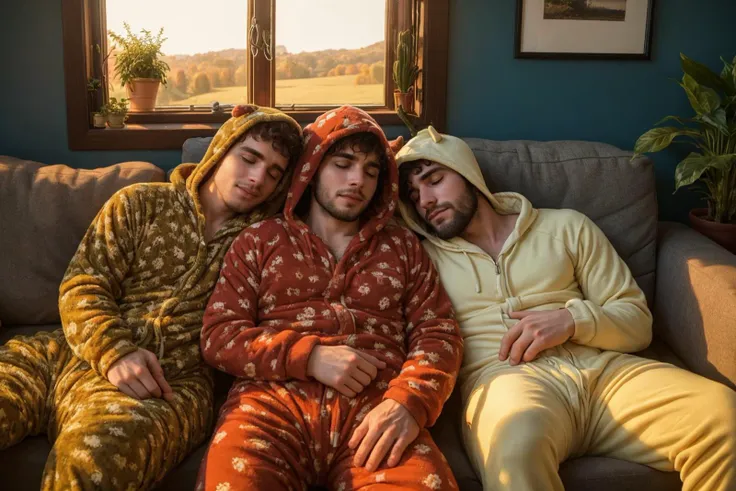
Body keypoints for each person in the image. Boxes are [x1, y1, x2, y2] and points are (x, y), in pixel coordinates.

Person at [395, 126, 736, 491]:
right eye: (413, 196)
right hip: (506, 382)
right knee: (514, 452)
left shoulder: (566, 227)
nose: (425, 200)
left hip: (607, 373)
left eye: (434, 180)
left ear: (468, 174)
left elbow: (637, 322)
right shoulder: (421, 259)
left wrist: (572, 320)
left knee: (725, 416)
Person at [0, 105, 303, 490]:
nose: (258, 177)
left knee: (91, 464)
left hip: (166, 386)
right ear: (220, 150)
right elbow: (83, 283)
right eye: (249, 158)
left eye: (274, 173)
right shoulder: (140, 202)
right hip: (57, 355)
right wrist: (115, 351)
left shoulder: (265, 241)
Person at [197, 106, 463, 490]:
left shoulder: (402, 246)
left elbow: (438, 333)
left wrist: (409, 403)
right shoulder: (260, 239)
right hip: (268, 410)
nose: (358, 180)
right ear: (311, 168)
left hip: (377, 414)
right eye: (343, 164)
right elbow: (219, 337)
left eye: (372, 171)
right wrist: (309, 357)